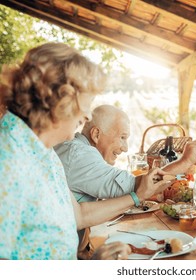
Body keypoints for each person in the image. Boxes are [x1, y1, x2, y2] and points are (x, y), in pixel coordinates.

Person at [0, 43, 170, 260]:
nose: (88, 116)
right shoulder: (8, 157)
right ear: (60, 99)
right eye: (86, 103)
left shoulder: (42, 151)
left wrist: (138, 196)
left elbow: (78, 216)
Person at [54, 104, 196, 203]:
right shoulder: (81, 155)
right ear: (96, 135)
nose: (125, 148)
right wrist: (185, 161)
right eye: (122, 138)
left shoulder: (75, 148)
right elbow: (136, 187)